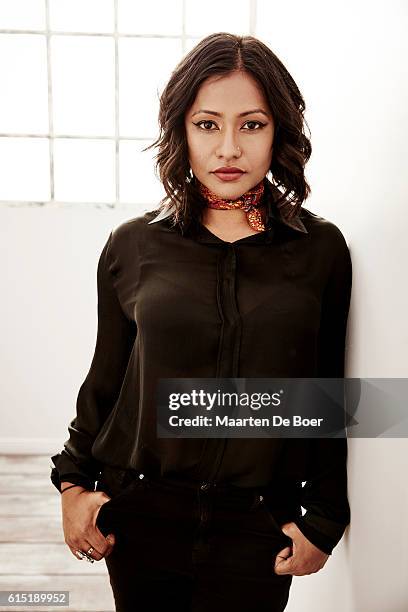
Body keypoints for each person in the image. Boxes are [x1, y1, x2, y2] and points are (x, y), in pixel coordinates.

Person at [50, 32, 352, 612]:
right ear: (181, 131)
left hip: (259, 524)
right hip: (139, 514)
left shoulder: (320, 250)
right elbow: (107, 381)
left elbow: (329, 394)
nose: (229, 149)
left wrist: (326, 518)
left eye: (252, 124)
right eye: (208, 124)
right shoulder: (133, 246)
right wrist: (71, 486)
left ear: (279, 131)